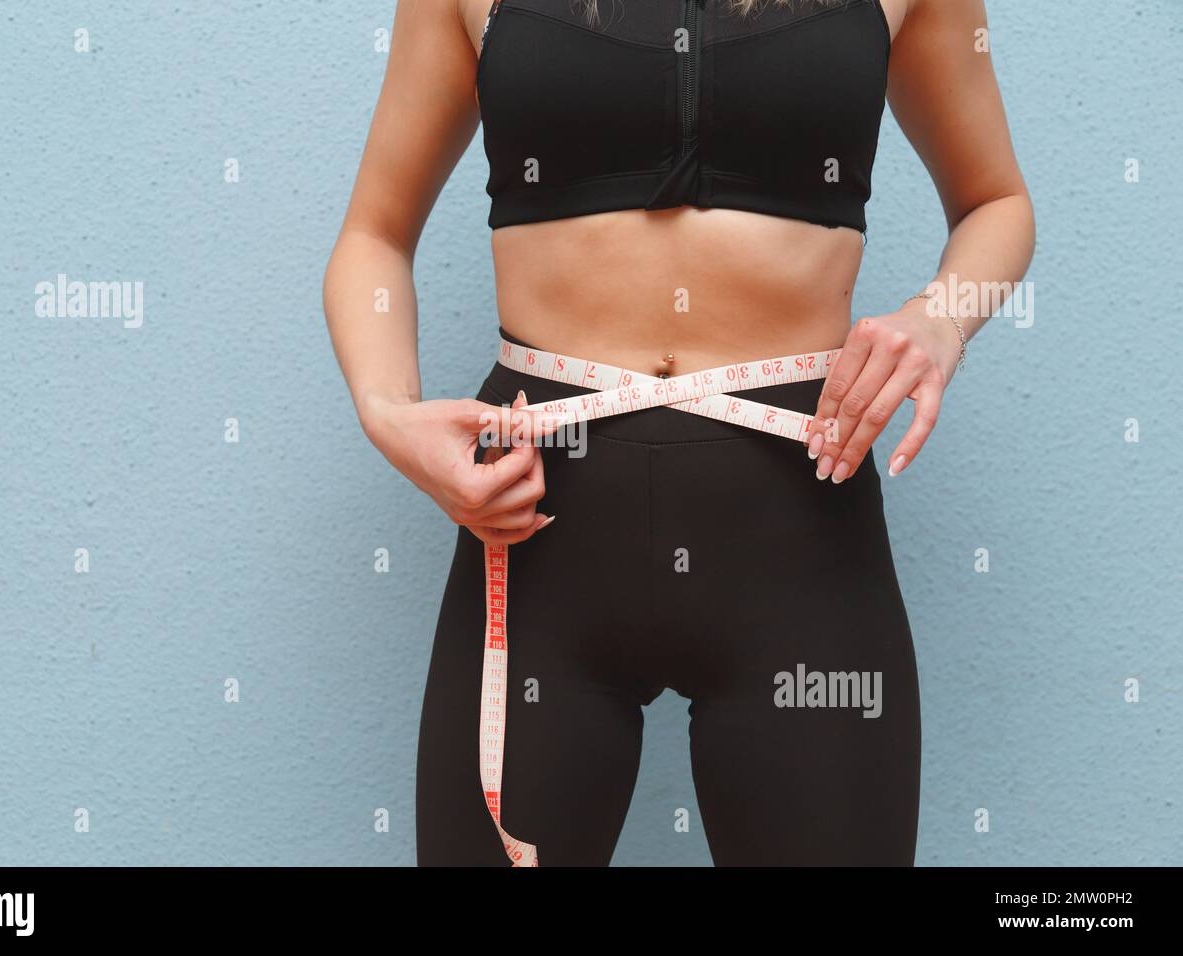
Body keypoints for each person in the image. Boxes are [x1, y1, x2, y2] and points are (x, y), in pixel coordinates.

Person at [323, 0, 1034, 866]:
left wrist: (939, 321)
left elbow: (996, 202)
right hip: (532, 523)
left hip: (800, 528)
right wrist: (388, 412)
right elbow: (374, 234)